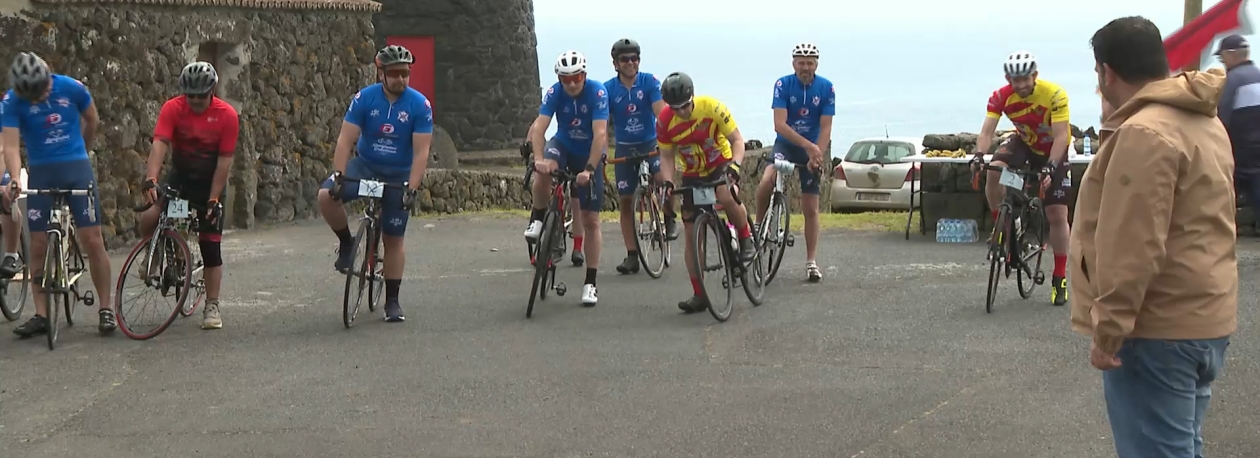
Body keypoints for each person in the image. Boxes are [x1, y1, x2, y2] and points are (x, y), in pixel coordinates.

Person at [1075, 16, 1238, 458]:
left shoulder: (1144, 133)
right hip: (1204, 317)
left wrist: (1108, 330)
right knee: (1181, 446)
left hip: (1155, 329)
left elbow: (1132, 245)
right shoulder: (1204, 120)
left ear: (1106, 72)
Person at [1, 52, 116, 336]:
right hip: (41, 170)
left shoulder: (72, 87)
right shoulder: (11, 101)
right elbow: (11, 147)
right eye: (31, 95)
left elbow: (92, 120)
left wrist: (82, 152)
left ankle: (105, 308)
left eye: (41, 91)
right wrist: (15, 178)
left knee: (92, 238)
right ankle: (41, 314)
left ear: (48, 76)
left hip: (76, 167)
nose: (38, 98)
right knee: (38, 245)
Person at [317, 45, 432, 323]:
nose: (401, 79)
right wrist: (340, 175)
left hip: (398, 174)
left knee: (394, 239)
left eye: (405, 73)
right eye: (394, 74)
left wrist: (411, 189)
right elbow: (346, 140)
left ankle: (392, 301)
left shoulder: (420, 105)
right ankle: (346, 243)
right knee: (325, 195)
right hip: (365, 166)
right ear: (380, 73)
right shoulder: (364, 99)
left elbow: (421, 153)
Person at [137, 61, 239, 330]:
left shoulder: (226, 115)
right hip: (181, 178)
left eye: (200, 96)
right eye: (189, 95)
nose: (194, 101)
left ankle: (212, 305)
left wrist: (214, 199)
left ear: (212, 91)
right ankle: (157, 251)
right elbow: (159, 145)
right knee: (152, 217)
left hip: (209, 183)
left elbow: (224, 162)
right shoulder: (173, 108)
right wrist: (152, 179)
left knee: (210, 244)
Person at [971, 50, 1073, 306]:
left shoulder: (1054, 94)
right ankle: (1001, 229)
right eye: (1016, 81)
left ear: (1035, 75)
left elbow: (1061, 136)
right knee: (994, 170)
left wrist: (1050, 167)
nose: (1021, 85)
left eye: (1026, 79)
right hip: (1025, 142)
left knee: (1057, 214)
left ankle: (1059, 276)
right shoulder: (1000, 97)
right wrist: (978, 156)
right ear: (1008, 79)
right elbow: (986, 131)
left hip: (1052, 148)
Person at [656, 71, 755, 314]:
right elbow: (666, 157)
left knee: (724, 194)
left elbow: (737, 140)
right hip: (692, 172)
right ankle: (699, 293)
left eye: (685, 106)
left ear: (693, 97)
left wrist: (735, 166)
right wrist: (668, 182)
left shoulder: (712, 107)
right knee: (691, 235)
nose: (681, 112)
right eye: (675, 108)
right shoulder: (664, 121)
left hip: (720, 162)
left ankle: (745, 239)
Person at [523, 50, 609, 307]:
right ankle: (539, 219)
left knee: (591, 220)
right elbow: (539, 128)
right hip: (563, 144)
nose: (572, 83)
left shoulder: (597, 93)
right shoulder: (554, 92)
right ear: (559, 78)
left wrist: (590, 169)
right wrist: (539, 159)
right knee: (544, 170)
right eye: (566, 78)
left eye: (577, 77)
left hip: (589, 153)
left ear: (585, 75)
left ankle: (590, 283)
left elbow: (601, 134)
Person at [754, 42, 833, 282]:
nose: (805, 67)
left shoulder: (826, 88)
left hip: (810, 150)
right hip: (786, 146)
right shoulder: (783, 84)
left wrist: (816, 153)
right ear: (793, 63)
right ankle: (759, 225)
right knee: (768, 179)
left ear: (816, 64)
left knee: (811, 207)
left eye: (810, 63)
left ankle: (811, 262)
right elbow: (779, 125)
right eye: (801, 62)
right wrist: (809, 146)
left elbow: (826, 125)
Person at [603, 38, 677, 275]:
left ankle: (669, 217)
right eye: (625, 59)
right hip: (625, 148)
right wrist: (603, 153)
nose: (631, 63)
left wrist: (670, 141)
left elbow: (661, 113)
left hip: (650, 144)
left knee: (662, 178)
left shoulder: (649, 82)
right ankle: (632, 255)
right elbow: (602, 126)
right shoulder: (607, 89)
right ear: (616, 63)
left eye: (635, 58)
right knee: (625, 202)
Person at [1214, 34, 1260, 232]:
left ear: (1231, 55)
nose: (1222, 61)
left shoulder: (1231, 80)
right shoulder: (1258, 74)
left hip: (1242, 150)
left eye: (1222, 56)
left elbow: (1221, 118)